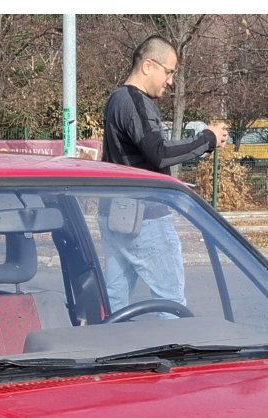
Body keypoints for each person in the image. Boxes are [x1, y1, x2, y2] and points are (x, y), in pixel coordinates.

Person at [100, 36, 228, 314]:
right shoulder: (134, 101)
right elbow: (159, 152)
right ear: (148, 65)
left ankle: (108, 349)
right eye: (169, 72)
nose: (170, 81)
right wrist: (207, 139)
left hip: (116, 214)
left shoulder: (115, 99)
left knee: (114, 301)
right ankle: (174, 354)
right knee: (170, 302)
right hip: (144, 217)